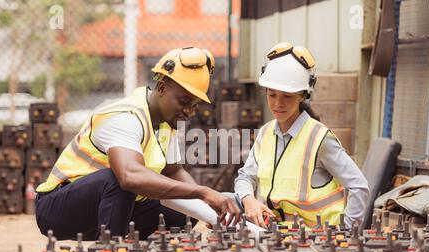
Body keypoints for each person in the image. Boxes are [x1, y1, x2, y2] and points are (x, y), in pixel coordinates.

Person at [35, 47, 240, 240]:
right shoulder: (125, 116)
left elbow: (173, 172)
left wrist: (206, 207)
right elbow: (129, 176)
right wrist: (203, 192)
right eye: (184, 102)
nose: (189, 112)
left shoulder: (166, 124)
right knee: (120, 179)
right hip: (58, 210)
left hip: (110, 210)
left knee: (186, 211)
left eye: (194, 106)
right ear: (161, 87)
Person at [234, 42, 369, 229]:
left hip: (318, 240)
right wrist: (248, 199)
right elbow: (245, 177)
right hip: (276, 235)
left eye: (287, 96)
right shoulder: (265, 133)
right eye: (272, 95)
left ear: (302, 96)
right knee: (225, 200)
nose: (277, 104)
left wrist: (345, 232)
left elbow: (359, 186)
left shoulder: (319, 139)